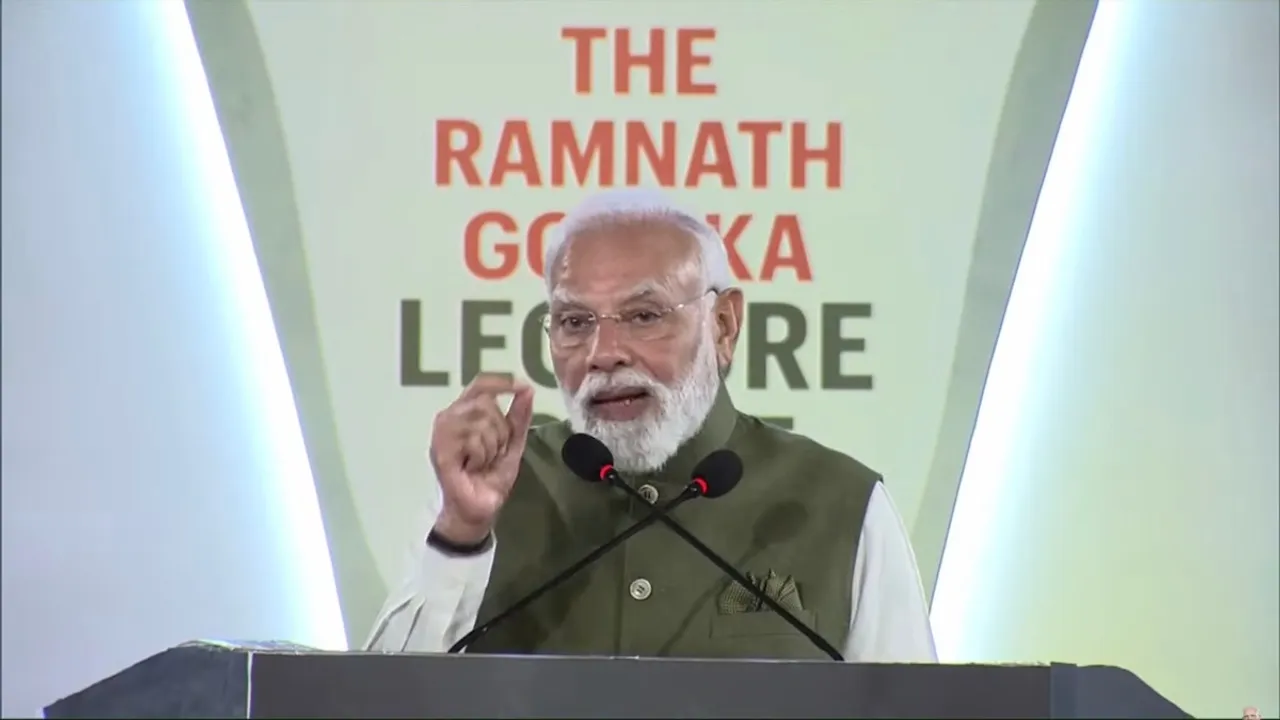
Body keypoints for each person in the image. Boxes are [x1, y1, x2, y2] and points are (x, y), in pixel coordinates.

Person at [365, 188, 937, 661]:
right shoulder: (490, 494)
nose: (603, 352)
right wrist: (460, 535)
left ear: (724, 324)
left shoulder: (840, 503)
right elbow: (375, 707)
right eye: (573, 320)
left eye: (644, 316)